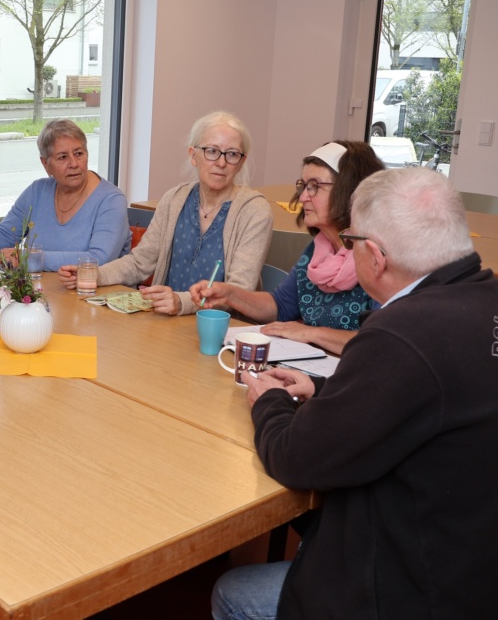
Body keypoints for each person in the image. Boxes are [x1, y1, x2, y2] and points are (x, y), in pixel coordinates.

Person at [211, 167, 497, 620]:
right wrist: (323, 388)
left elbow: (295, 457)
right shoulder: (483, 298)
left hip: (415, 587)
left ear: (376, 257)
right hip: (473, 559)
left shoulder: (400, 334)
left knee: (233, 594)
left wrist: (269, 402)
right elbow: (425, 398)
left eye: (352, 241)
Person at [57, 111, 271, 315]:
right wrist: (95, 275)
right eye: (212, 151)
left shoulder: (254, 211)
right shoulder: (174, 200)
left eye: (232, 154)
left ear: (241, 162)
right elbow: (139, 262)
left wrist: (181, 302)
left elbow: (238, 291)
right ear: (193, 155)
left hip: (221, 330)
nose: (221, 163)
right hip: (165, 321)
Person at [190, 140, 384, 353]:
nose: (302, 198)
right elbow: (281, 306)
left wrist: (312, 333)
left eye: (315, 187)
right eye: (303, 186)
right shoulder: (318, 249)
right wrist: (230, 295)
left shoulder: (378, 257)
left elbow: (381, 340)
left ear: (349, 190)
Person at [0, 119, 129, 271]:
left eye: (79, 154)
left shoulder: (111, 200)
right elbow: (5, 233)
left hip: (95, 296)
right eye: (63, 157)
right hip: (44, 292)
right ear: (45, 164)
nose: (74, 163)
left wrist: (30, 258)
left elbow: (98, 259)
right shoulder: (38, 191)